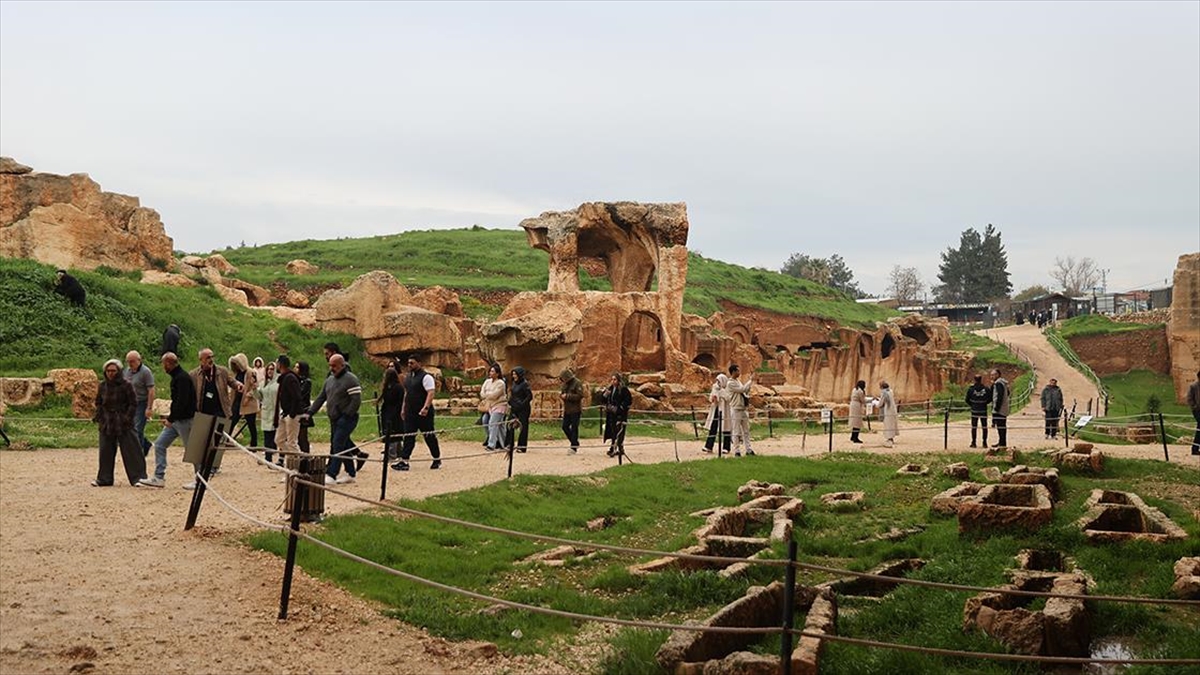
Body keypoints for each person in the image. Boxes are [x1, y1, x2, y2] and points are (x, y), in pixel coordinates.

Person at [139, 352, 196, 488]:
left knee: (192, 451)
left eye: (164, 364)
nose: (163, 367)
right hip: (176, 420)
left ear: (169, 363)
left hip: (185, 420)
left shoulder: (182, 378)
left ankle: (200, 479)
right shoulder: (176, 377)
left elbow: (182, 402)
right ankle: (159, 477)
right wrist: (171, 417)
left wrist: (171, 418)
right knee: (160, 444)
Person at [304, 353, 362, 484]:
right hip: (334, 418)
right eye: (330, 365)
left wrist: (347, 414)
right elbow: (321, 398)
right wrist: (310, 412)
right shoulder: (329, 380)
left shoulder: (351, 379)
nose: (331, 368)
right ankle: (350, 473)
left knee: (337, 443)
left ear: (342, 365)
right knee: (343, 444)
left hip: (347, 418)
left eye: (334, 366)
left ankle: (332, 473)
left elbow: (356, 400)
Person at [91, 359, 147, 486]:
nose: (111, 373)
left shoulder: (126, 385)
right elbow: (98, 402)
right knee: (105, 451)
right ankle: (104, 479)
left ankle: (138, 478)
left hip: (123, 422)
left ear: (119, 371)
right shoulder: (103, 386)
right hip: (107, 422)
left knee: (132, 451)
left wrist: (128, 418)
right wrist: (99, 416)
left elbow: (133, 403)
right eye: (108, 371)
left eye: (113, 371)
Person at [392, 354, 441, 471]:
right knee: (408, 437)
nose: (409, 365)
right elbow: (406, 393)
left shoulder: (426, 377)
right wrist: (403, 408)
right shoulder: (408, 377)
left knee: (429, 436)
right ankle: (404, 461)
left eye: (412, 363)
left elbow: (430, 393)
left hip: (423, 413)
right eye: (409, 363)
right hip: (411, 412)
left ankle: (436, 458)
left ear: (419, 363)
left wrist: (426, 407)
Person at [123, 350, 156, 455]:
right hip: (130, 403)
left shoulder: (146, 372)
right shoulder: (126, 371)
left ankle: (139, 453)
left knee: (138, 429)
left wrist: (149, 407)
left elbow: (151, 390)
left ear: (139, 360)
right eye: (128, 361)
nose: (130, 364)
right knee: (130, 428)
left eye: (132, 361)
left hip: (141, 403)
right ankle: (146, 444)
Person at [274, 355, 303, 467]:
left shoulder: (290, 378)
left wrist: (292, 414)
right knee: (279, 440)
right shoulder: (284, 378)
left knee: (292, 442)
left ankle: (299, 464)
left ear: (280, 364)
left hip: (292, 414)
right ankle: (293, 458)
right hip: (285, 413)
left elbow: (297, 397)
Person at [227, 353, 260, 449]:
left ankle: (254, 444)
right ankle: (226, 440)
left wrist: (248, 397)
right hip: (237, 401)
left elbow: (255, 387)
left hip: (248, 403)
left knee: (251, 424)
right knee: (232, 421)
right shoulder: (236, 374)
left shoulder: (251, 372)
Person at [601, 372, 632, 457]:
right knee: (613, 431)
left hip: (620, 415)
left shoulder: (623, 390)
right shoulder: (610, 389)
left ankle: (617, 448)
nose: (613, 381)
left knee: (619, 432)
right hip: (611, 415)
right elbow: (603, 399)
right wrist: (605, 395)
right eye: (612, 379)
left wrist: (620, 408)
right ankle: (614, 448)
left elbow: (628, 401)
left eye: (615, 379)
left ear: (618, 380)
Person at [726, 364, 755, 456]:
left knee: (746, 431)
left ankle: (748, 449)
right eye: (738, 371)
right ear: (733, 372)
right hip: (736, 409)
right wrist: (750, 380)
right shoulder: (730, 383)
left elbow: (745, 391)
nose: (739, 372)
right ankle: (737, 450)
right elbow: (742, 389)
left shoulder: (738, 381)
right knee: (736, 431)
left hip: (743, 408)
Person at [379, 363, 405, 461]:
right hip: (388, 411)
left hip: (395, 412)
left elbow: (400, 401)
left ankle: (391, 454)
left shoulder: (398, 387)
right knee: (392, 432)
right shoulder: (388, 387)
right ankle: (399, 452)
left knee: (393, 433)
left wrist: (398, 412)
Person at [479, 363, 507, 451]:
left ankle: (491, 445)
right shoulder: (487, 382)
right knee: (485, 421)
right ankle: (500, 441)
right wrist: (487, 395)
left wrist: (487, 395)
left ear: (497, 373)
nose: (490, 373)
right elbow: (482, 393)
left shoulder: (501, 383)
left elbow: (495, 395)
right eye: (490, 371)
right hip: (489, 406)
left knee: (493, 423)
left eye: (492, 371)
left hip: (499, 405)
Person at [255, 361, 280, 463]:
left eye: (272, 369)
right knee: (267, 436)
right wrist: (254, 389)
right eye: (268, 369)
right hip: (266, 412)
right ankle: (268, 458)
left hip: (276, 412)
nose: (270, 371)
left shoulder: (279, 382)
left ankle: (280, 458)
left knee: (277, 437)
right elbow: (259, 397)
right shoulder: (263, 383)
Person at [701, 373, 731, 454]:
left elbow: (728, 398)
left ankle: (726, 447)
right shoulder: (715, 387)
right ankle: (709, 446)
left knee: (726, 428)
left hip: (725, 410)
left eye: (719, 381)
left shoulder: (728, 388)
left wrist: (721, 393)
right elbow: (711, 397)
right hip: (716, 409)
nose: (718, 383)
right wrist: (713, 398)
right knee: (713, 427)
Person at [559, 369, 585, 455]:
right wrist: (562, 396)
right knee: (564, 426)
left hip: (575, 410)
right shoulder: (565, 384)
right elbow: (562, 392)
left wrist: (568, 396)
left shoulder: (577, 383)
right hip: (567, 409)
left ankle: (573, 446)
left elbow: (580, 395)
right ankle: (575, 442)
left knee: (574, 428)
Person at [507, 367, 532, 453]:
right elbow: (513, 394)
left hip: (523, 409)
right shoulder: (514, 383)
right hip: (514, 407)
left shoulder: (525, 384)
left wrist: (522, 404)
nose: (514, 376)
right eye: (513, 374)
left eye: (515, 374)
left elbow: (529, 396)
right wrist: (510, 401)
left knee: (523, 427)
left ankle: (522, 446)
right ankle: (510, 444)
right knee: (509, 424)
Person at [965, 374, 992, 448]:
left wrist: (973, 404)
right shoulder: (986, 389)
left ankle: (973, 442)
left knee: (974, 427)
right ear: (981, 379)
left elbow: (967, 399)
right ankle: (984, 443)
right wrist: (984, 403)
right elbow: (990, 398)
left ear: (974, 380)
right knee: (984, 426)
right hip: (983, 410)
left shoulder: (971, 389)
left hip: (974, 410)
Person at [296, 361, 314, 454]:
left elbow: (301, 394)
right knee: (297, 437)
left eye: (297, 367)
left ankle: (306, 456)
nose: (295, 369)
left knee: (302, 437)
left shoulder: (307, 382)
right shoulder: (296, 380)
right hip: (296, 410)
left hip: (303, 410)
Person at [991, 368, 1010, 448]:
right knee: (1001, 427)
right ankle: (1001, 442)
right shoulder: (1003, 383)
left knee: (1001, 427)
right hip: (1003, 408)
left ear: (998, 375)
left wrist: (996, 408)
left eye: (993, 375)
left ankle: (1002, 443)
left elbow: (999, 396)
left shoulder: (999, 383)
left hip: (1000, 409)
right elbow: (1008, 393)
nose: (992, 376)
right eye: (991, 375)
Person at [879, 380, 898, 448]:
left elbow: (881, 402)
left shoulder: (884, 393)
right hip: (893, 409)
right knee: (892, 423)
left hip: (888, 410)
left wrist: (877, 404)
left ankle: (890, 438)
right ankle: (891, 437)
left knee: (888, 424)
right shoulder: (890, 391)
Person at [1187, 370, 1200, 456]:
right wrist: (1195, 407)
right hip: (1198, 411)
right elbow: (1189, 398)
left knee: (1199, 429)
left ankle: (1195, 449)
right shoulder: (1193, 386)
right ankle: (1195, 449)